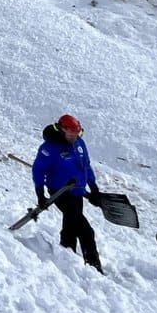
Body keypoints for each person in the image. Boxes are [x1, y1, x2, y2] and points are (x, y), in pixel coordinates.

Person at [31, 113, 102, 272]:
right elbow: (38, 171)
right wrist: (40, 194)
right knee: (86, 231)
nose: (74, 137)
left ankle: (66, 257)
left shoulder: (79, 144)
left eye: (77, 134)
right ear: (61, 130)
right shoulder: (49, 148)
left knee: (71, 227)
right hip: (61, 192)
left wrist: (94, 188)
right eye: (70, 134)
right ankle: (95, 268)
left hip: (77, 192)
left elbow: (86, 166)